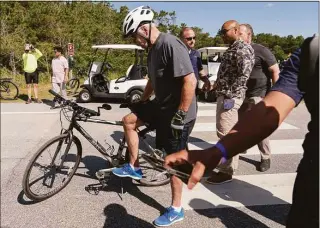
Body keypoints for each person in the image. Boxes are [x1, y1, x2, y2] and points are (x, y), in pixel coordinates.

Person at [164, 35, 319, 228]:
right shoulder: (313, 50)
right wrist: (216, 152)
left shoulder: (255, 50)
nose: (222, 33)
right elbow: (271, 110)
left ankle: (264, 158)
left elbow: (268, 76)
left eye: (226, 30)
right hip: (314, 177)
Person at [111, 6, 197, 227]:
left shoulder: (170, 44)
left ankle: (176, 209)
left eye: (134, 36)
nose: (135, 41)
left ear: (144, 29)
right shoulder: (152, 50)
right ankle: (134, 167)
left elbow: (190, 81)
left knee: (173, 162)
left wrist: (180, 114)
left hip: (179, 112)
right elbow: (152, 79)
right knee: (129, 121)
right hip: (161, 105)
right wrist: (143, 100)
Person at [206, 20, 255, 184]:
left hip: (230, 98)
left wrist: (229, 95)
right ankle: (225, 167)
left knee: (226, 134)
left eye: (224, 31)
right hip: (226, 95)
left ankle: (227, 171)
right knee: (224, 132)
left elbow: (244, 75)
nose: (222, 35)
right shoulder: (233, 48)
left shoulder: (242, 49)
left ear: (235, 30)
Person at [179, 27, 211, 95]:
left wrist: (206, 81)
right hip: (179, 92)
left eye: (194, 38)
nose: (192, 40)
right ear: (181, 39)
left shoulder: (196, 53)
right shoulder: (176, 53)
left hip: (193, 92)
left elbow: (200, 70)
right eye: (189, 38)